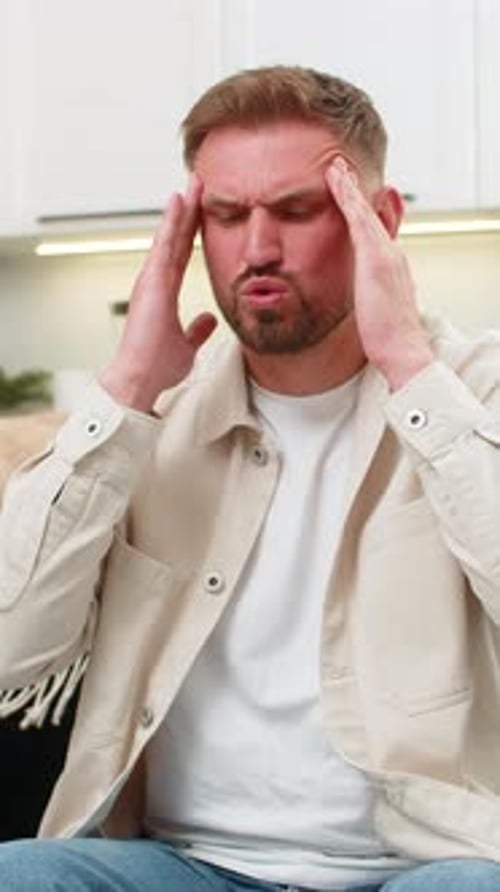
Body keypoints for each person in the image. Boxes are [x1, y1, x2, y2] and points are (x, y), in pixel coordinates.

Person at [0, 64, 499, 891]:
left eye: (298, 211)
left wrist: (407, 363)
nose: (258, 247)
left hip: (421, 867)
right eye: (227, 216)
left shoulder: (469, 392)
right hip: (185, 865)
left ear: (381, 219)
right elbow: (11, 649)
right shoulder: (153, 419)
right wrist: (125, 390)